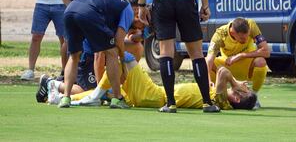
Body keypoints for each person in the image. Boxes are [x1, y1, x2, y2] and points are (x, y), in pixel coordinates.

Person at [137, 0, 219, 113]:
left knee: (166, 52)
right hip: (185, 1)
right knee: (196, 53)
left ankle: (170, 103)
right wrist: (205, 5)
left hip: (162, 1)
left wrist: (141, 5)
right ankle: (207, 102)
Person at [69, 53, 257, 110]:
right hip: (153, 95)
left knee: (123, 58)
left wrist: (236, 83)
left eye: (243, 91)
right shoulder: (220, 96)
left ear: (238, 99)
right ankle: (62, 94)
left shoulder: (222, 100)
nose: (243, 87)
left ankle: (95, 95)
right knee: (114, 82)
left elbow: (223, 71)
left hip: (155, 96)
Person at [57, 0, 133, 109]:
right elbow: (119, 40)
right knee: (112, 52)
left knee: (74, 56)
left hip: (69, 11)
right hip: (88, 12)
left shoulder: (113, 4)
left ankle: (66, 98)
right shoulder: (128, 9)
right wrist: (123, 61)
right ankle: (117, 98)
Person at [205, 17, 270, 109]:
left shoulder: (251, 25)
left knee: (261, 62)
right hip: (227, 65)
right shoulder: (220, 34)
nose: (246, 39)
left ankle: (253, 96)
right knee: (205, 63)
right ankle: (212, 96)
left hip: (247, 65)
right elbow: (209, 59)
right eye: (242, 38)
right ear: (232, 33)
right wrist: (208, 81)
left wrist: (240, 55)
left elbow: (266, 52)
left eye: (247, 36)